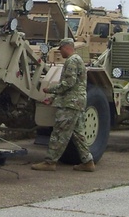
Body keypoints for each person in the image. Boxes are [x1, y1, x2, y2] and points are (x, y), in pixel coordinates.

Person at [32, 38, 95, 172]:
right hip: (76, 102)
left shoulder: (72, 61)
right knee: (78, 134)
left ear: (66, 47)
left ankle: (50, 162)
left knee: (59, 133)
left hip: (70, 104)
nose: (60, 52)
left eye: (61, 49)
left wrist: (50, 90)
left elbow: (68, 84)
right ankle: (88, 162)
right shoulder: (78, 60)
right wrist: (53, 98)